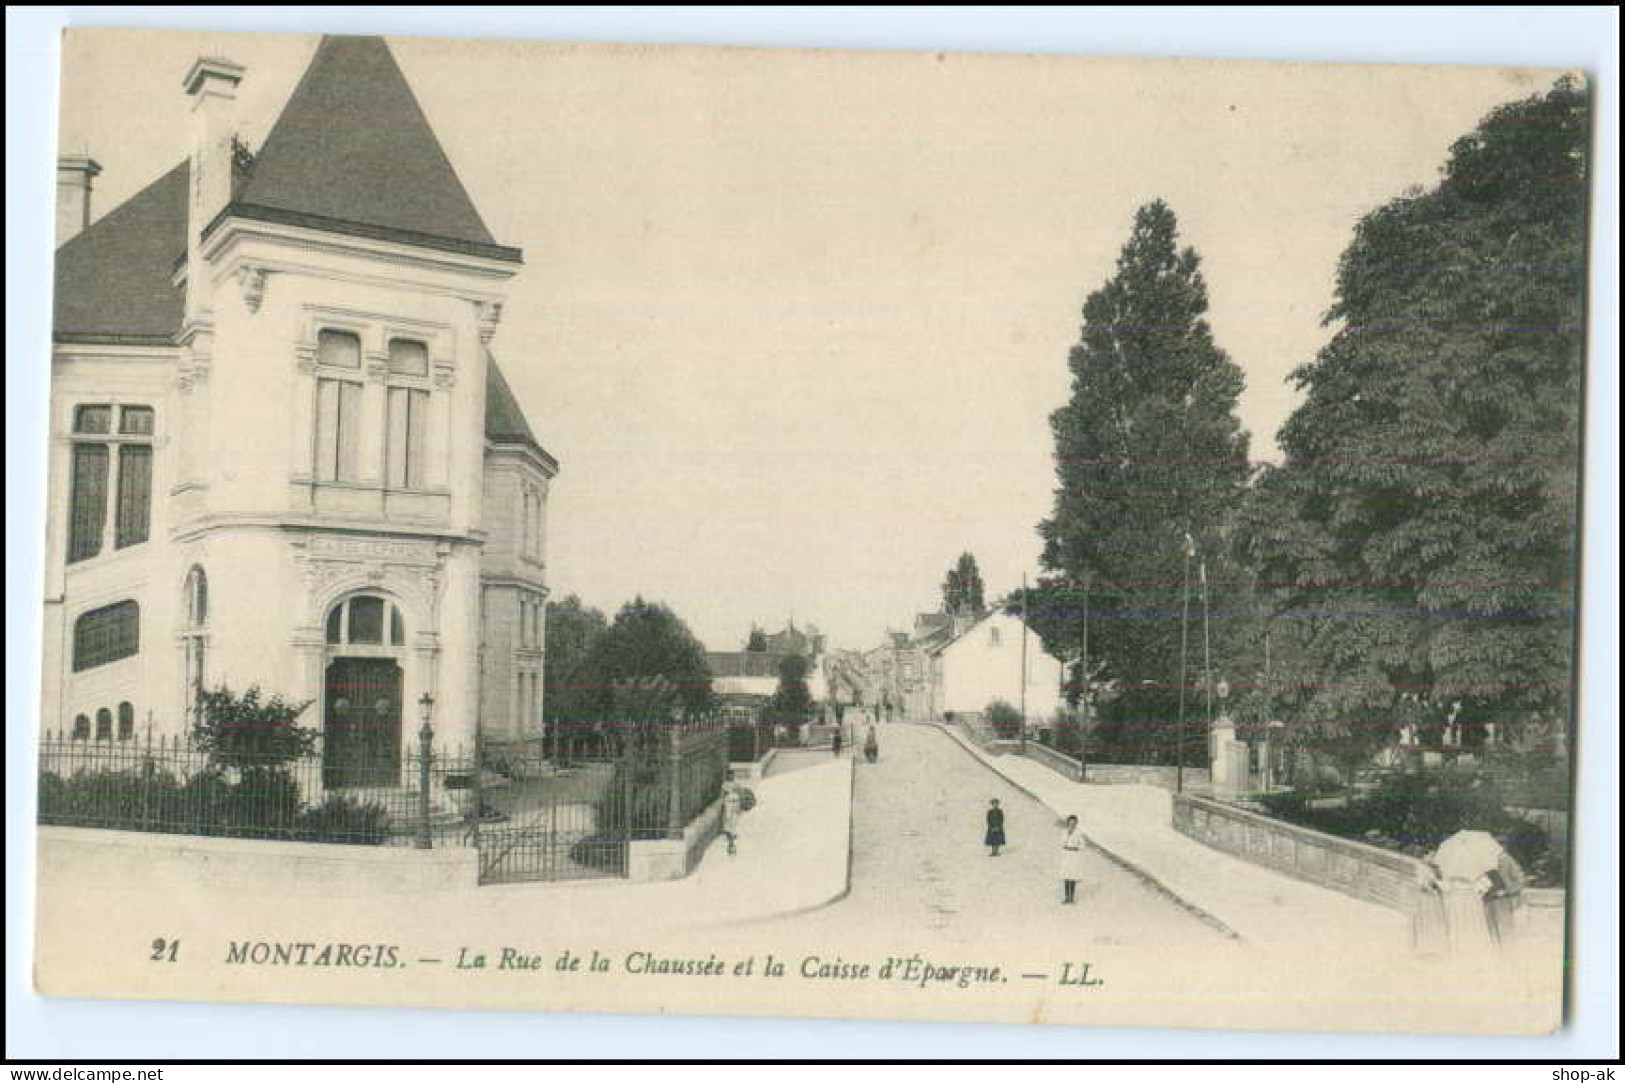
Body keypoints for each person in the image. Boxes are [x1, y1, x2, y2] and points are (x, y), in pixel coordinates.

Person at [1059, 814, 1086, 903]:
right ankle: (1067, 897)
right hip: (1066, 856)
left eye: (1074, 823)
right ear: (1068, 823)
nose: (1072, 825)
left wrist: (1077, 848)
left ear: (1076, 823)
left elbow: (1083, 845)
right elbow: (1062, 843)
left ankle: (1072, 897)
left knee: (1073, 876)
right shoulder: (1064, 832)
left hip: (1074, 856)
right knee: (1066, 876)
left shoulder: (1079, 833)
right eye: (1070, 823)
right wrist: (1068, 835)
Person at [720, 780, 743, 856]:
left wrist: (739, 807)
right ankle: (729, 832)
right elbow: (723, 795)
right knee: (728, 818)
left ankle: (731, 832)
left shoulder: (736, 784)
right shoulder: (725, 785)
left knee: (733, 819)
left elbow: (739, 794)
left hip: (734, 803)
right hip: (729, 803)